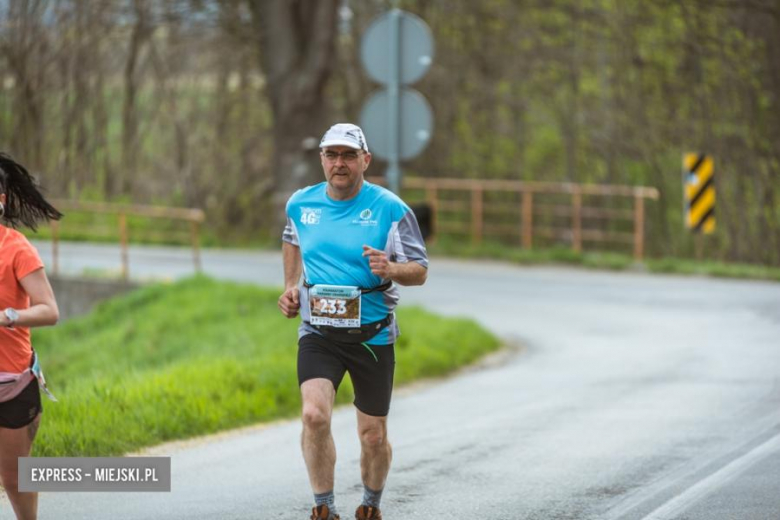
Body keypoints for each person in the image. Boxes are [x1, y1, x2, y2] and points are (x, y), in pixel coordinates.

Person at [278, 124, 428, 520]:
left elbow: (421, 269)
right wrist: (291, 286)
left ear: (365, 160)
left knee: (372, 435)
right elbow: (292, 237)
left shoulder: (391, 208)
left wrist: (392, 268)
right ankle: (323, 507)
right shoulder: (301, 204)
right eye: (332, 155)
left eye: (348, 155)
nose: (339, 164)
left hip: (372, 336)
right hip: (318, 332)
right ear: (322, 160)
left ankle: (371, 505)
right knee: (314, 415)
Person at [0, 153, 61, 520]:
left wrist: (8, 317)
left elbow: (49, 310)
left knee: (14, 478)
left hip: (10, 384)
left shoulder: (17, 248)